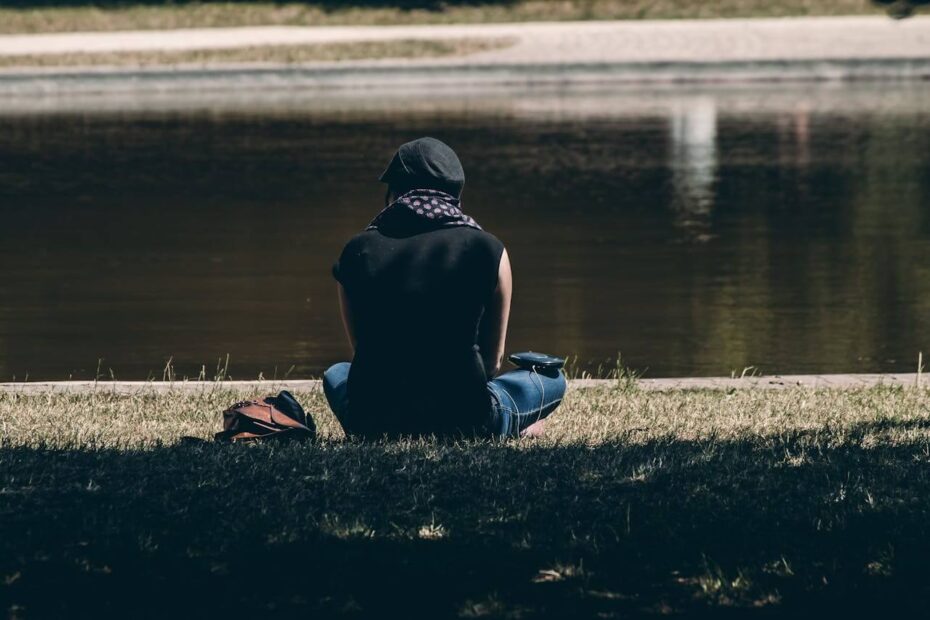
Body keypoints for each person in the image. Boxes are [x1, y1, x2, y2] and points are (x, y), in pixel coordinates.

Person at [323, 137, 566, 439]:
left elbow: (362, 352)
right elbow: (491, 362)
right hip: (466, 420)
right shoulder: (487, 249)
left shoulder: (355, 251)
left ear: (395, 191)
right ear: (455, 192)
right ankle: (511, 423)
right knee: (552, 379)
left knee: (336, 373)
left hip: (373, 420)